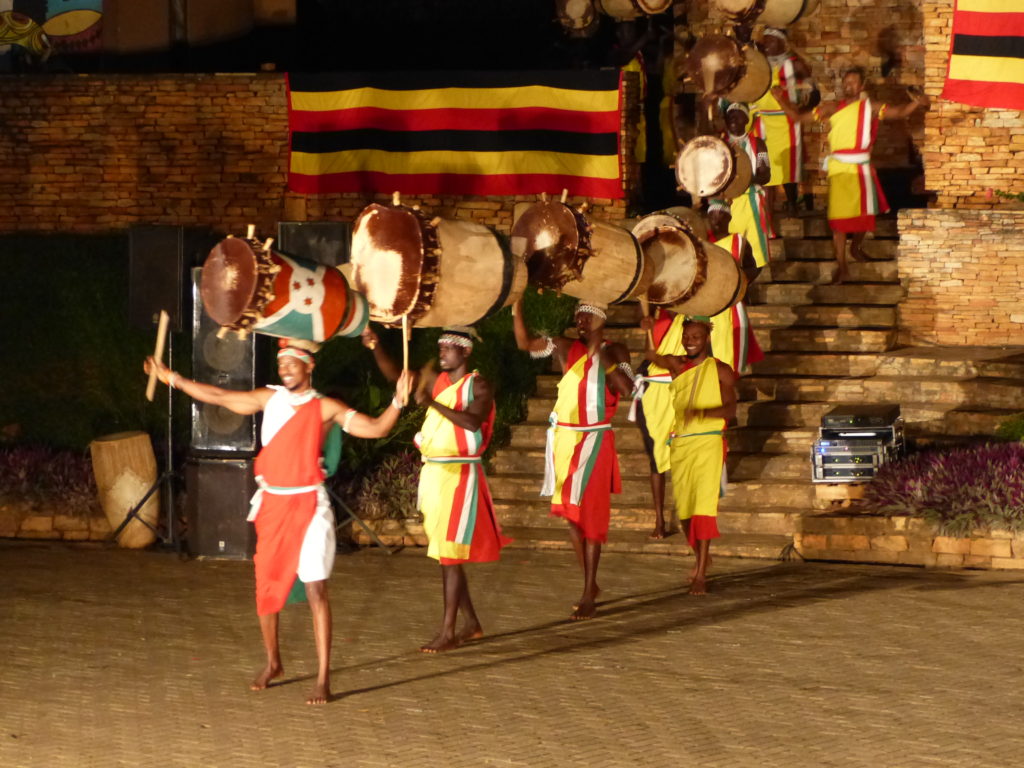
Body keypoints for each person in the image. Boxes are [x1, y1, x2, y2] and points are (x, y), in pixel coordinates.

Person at [145, 338, 414, 705]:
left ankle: (323, 678)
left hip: (309, 505)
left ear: (309, 366)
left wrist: (398, 401)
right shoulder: (269, 399)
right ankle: (274, 662)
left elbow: (376, 428)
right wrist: (171, 378)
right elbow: (218, 396)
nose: (285, 368)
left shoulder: (324, 408)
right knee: (267, 589)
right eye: (281, 362)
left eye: (292, 362)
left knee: (317, 588)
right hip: (273, 505)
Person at [360, 326, 510, 653]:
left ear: (465, 352)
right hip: (434, 474)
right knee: (447, 555)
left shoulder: (478, 385)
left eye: (449, 347)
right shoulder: (436, 382)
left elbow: (472, 422)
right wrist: (375, 346)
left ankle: (448, 632)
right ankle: (471, 624)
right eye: (440, 346)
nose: (442, 351)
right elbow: (396, 377)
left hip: (460, 475)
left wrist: (430, 402)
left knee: (448, 555)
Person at [512, 298, 633, 619]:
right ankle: (589, 582)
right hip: (566, 441)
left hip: (595, 440)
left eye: (587, 317)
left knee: (590, 516)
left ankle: (588, 589)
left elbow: (628, 387)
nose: (581, 322)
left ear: (602, 319)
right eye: (578, 317)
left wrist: (601, 355)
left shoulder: (617, 351)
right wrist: (517, 307)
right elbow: (525, 343)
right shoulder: (564, 347)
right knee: (571, 517)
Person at [774, 66, 928, 282]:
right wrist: (781, 99)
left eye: (853, 82)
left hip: (861, 168)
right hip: (840, 170)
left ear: (862, 86)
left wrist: (916, 103)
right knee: (838, 220)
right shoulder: (832, 107)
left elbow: (899, 113)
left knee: (865, 215)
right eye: (845, 82)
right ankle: (842, 266)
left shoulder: (869, 107)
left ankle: (856, 247)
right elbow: (798, 118)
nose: (848, 85)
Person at [645, 319, 737, 595]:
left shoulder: (720, 370)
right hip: (682, 443)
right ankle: (700, 554)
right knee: (684, 510)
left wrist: (704, 414)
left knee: (703, 507)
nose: (690, 341)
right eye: (687, 336)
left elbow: (731, 410)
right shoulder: (676, 365)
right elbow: (651, 356)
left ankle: (700, 573)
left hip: (708, 442)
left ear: (706, 338)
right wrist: (648, 329)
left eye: (696, 336)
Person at [750, 27, 819, 216]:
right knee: (764, 163)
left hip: (786, 122)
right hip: (762, 122)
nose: (767, 45)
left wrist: (802, 108)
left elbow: (814, 93)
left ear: (782, 43)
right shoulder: (759, 65)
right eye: (765, 41)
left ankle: (791, 201)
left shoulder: (794, 64)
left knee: (788, 165)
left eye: (771, 40)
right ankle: (766, 207)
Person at [630, 308, 684, 540]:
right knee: (656, 458)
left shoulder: (694, 315)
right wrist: (648, 327)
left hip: (682, 388)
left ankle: (690, 517)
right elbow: (651, 353)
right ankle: (659, 520)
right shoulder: (659, 316)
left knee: (684, 455)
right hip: (653, 394)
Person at [706, 198, 765, 376]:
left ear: (728, 218)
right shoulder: (701, 243)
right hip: (707, 303)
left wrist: (741, 279)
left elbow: (755, 268)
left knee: (729, 348)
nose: (715, 220)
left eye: (719, 216)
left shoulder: (738, 242)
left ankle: (729, 385)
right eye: (711, 216)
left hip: (732, 302)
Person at [723, 102, 775, 269]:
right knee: (728, 251)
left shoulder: (758, 144)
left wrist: (743, 179)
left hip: (750, 201)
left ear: (746, 119)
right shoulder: (719, 145)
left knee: (755, 253)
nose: (733, 118)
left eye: (737, 115)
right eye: (730, 115)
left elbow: (765, 174)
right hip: (726, 204)